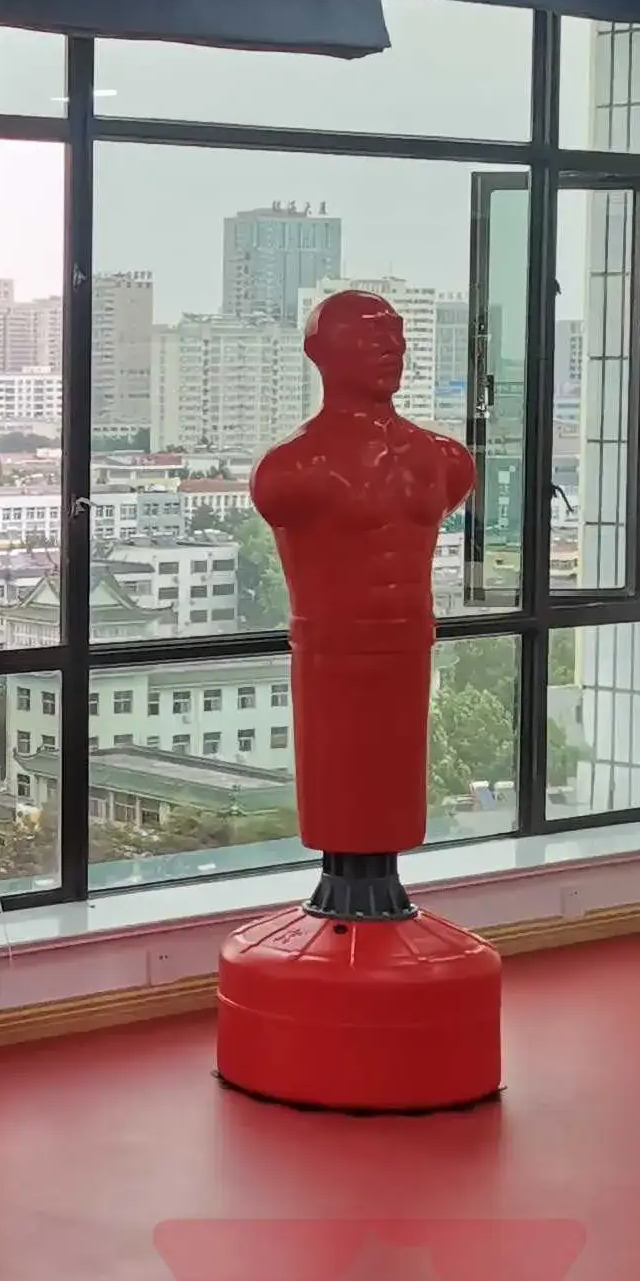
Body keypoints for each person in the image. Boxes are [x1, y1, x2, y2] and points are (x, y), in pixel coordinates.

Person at [252, 290, 473, 858]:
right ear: (320, 352)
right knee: (339, 796)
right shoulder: (290, 470)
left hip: (409, 646)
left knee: (397, 793)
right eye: (369, 335)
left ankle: (382, 886)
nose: (390, 346)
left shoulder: (445, 459)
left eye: (395, 333)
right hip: (332, 657)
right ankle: (346, 888)